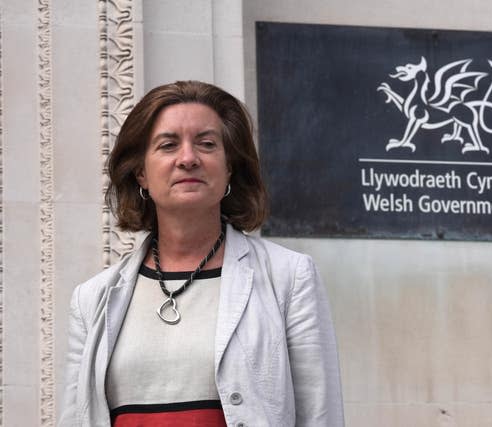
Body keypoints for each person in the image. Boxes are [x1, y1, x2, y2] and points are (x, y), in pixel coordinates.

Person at [59, 80, 344, 427]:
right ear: (141, 173)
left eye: (207, 144)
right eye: (168, 145)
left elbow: (320, 417)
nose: (188, 159)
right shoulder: (91, 300)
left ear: (229, 169)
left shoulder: (289, 277)